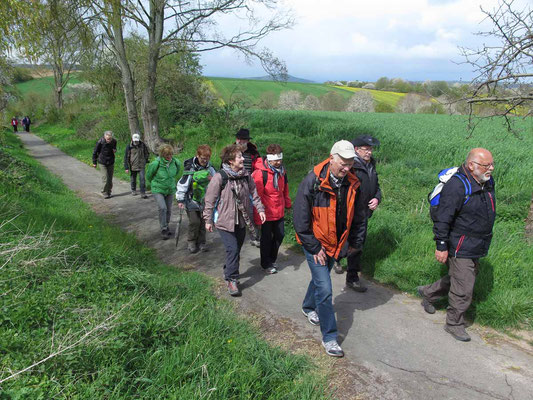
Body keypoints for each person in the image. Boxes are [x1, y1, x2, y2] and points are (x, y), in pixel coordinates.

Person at [293, 140, 366, 357]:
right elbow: (300, 220)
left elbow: (359, 216)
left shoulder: (352, 182)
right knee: (325, 288)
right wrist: (315, 247)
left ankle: (308, 307)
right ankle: (330, 337)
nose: (346, 168)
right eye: (343, 163)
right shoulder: (312, 181)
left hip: (337, 243)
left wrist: (355, 242)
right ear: (332, 157)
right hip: (315, 243)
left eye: (350, 163)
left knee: (320, 277)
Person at [417, 148, 496, 342]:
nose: (491, 168)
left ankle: (428, 293)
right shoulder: (456, 186)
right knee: (464, 286)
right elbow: (443, 218)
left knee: (461, 278)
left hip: (477, 242)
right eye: (487, 165)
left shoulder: (486, 181)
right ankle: (454, 323)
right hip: (459, 243)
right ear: (471, 165)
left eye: (492, 164)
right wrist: (441, 246)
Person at [203, 144, 266, 296]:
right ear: (230, 160)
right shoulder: (220, 177)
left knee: (236, 250)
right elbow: (210, 200)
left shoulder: (245, 175)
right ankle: (232, 279)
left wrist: (260, 209)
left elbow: (254, 194)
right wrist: (208, 219)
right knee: (232, 249)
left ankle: (228, 270)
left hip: (242, 221)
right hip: (225, 222)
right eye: (239, 157)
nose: (242, 159)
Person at [335, 135, 382, 293]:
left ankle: (352, 277)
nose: (369, 152)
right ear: (356, 150)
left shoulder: (371, 165)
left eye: (370, 149)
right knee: (344, 239)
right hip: (349, 212)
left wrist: (377, 198)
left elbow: (376, 186)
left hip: (363, 214)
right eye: (366, 149)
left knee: (357, 244)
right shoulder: (351, 166)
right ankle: (337, 259)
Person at [252, 144, 291, 274]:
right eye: (276, 160)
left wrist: (288, 204)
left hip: (278, 210)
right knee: (266, 239)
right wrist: (258, 218)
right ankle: (266, 263)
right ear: (269, 159)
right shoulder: (260, 174)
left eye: (280, 159)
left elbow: (285, 190)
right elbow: (257, 197)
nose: (279, 162)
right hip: (266, 213)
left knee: (280, 235)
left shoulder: (282, 172)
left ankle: (272, 259)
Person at [176, 144, 216, 253]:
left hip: (205, 200)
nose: (205, 161)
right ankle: (191, 241)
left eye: (207, 158)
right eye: (203, 158)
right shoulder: (190, 167)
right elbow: (183, 183)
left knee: (203, 221)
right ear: (197, 156)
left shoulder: (210, 168)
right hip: (191, 199)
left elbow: (217, 182)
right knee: (194, 221)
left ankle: (202, 242)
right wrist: (180, 199)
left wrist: (212, 179)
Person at [146, 144, 182, 240]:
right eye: (167, 155)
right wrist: (155, 184)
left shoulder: (176, 162)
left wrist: (170, 182)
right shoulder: (156, 163)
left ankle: (166, 225)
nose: (169, 157)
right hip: (158, 189)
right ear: (162, 155)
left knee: (169, 209)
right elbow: (149, 175)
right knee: (162, 208)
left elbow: (176, 172)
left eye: (170, 154)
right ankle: (164, 229)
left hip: (170, 189)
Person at [92, 130, 117, 199]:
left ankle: (109, 192)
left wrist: (114, 150)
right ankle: (104, 192)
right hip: (102, 162)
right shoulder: (100, 142)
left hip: (111, 161)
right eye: (108, 139)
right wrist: (94, 162)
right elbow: (95, 152)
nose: (109, 140)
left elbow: (114, 148)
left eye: (110, 139)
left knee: (110, 179)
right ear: (105, 136)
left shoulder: (114, 141)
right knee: (105, 178)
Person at [124, 133, 150, 198]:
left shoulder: (143, 145)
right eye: (135, 140)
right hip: (133, 165)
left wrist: (146, 160)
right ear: (132, 139)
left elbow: (146, 153)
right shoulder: (129, 146)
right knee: (133, 179)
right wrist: (126, 167)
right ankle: (133, 189)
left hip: (141, 165)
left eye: (137, 140)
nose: (136, 142)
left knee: (142, 179)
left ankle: (143, 192)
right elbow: (126, 157)